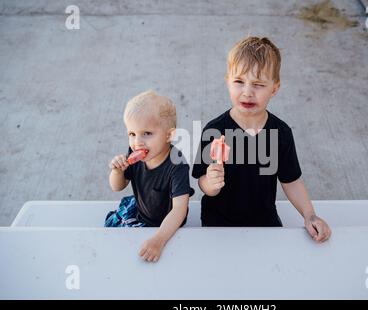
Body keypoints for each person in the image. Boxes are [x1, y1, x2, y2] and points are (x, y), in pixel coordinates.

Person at [192, 36, 331, 243]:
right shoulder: (214, 131)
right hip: (218, 221)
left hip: (264, 220)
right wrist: (210, 184)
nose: (247, 92)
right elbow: (201, 180)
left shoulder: (281, 133)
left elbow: (291, 180)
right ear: (228, 82)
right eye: (239, 82)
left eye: (258, 84)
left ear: (274, 88)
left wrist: (309, 215)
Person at [107, 90, 194, 262]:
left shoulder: (177, 165)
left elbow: (179, 210)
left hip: (167, 225)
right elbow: (117, 186)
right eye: (132, 134)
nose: (137, 142)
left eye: (147, 133)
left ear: (169, 135)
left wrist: (159, 240)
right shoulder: (135, 155)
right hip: (141, 211)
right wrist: (117, 171)